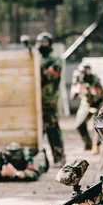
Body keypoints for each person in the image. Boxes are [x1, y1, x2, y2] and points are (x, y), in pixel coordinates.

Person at [37, 32, 66, 167]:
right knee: (37, 130)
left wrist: (36, 68)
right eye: (40, 42)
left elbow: (49, 76)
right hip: (37, 100)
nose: (41, 45)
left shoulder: (55, 59)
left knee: (52, 129)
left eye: (44, 43)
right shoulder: (40, 58)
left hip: (49, 100)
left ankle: (59, 157)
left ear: (50, 43)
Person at [71, 63, 103, 154]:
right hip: (86, 102)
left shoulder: (95, 79)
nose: (83, 74)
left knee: (98, 125)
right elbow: (73, 97)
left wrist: (88, 90)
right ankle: (88, 144)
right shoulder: (78, 79)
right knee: (79, 124)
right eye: (81, 72)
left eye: (85, 71)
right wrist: (76, 91)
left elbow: (99, 95)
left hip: (98, 102)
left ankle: (96, 146)